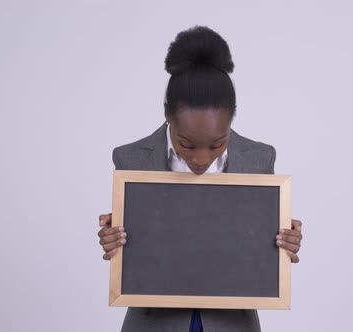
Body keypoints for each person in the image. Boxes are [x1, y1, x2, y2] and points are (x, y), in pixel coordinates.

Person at [97, 26, 303, 332]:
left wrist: (283, 243)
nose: (201, 159)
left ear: (233, 116)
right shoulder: (130, 159)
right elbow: (136, 250)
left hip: (231, 322)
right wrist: (115, 240)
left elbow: (254, 248)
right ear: (167, 113)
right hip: (155, 323)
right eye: (188, 145)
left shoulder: (259, 159)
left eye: (217, 145)